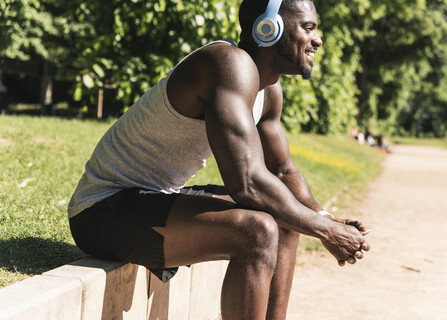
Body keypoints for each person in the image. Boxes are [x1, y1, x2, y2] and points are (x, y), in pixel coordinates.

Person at [68, 0, 370, 319]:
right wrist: (325, 230)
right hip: (102, 211)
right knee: (259, 230)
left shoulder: (269, 91)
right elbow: (248, 184)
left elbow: (282, 172)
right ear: (268, 28)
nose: (317, 39)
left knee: (286, 212)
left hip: (154, 199)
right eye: (308, 28)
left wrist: (325, 217)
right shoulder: (228, 64)